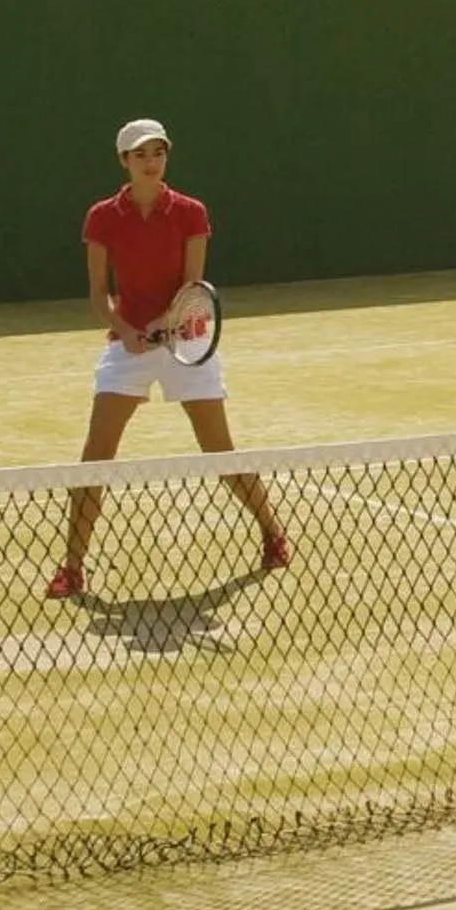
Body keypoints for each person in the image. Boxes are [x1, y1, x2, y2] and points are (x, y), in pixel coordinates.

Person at [48, 118, 288, 599]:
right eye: (141, 155)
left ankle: (272, 532)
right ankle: (72, 567)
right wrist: (125, 331)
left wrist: (161, 328)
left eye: (158, 153)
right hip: (128, 346)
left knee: (220, 454)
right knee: (95, 458)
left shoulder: (191, 212)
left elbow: (192, 288)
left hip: (187, 344)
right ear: (124, 162)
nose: (151, 162)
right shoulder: (101, 217)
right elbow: (99, 294)